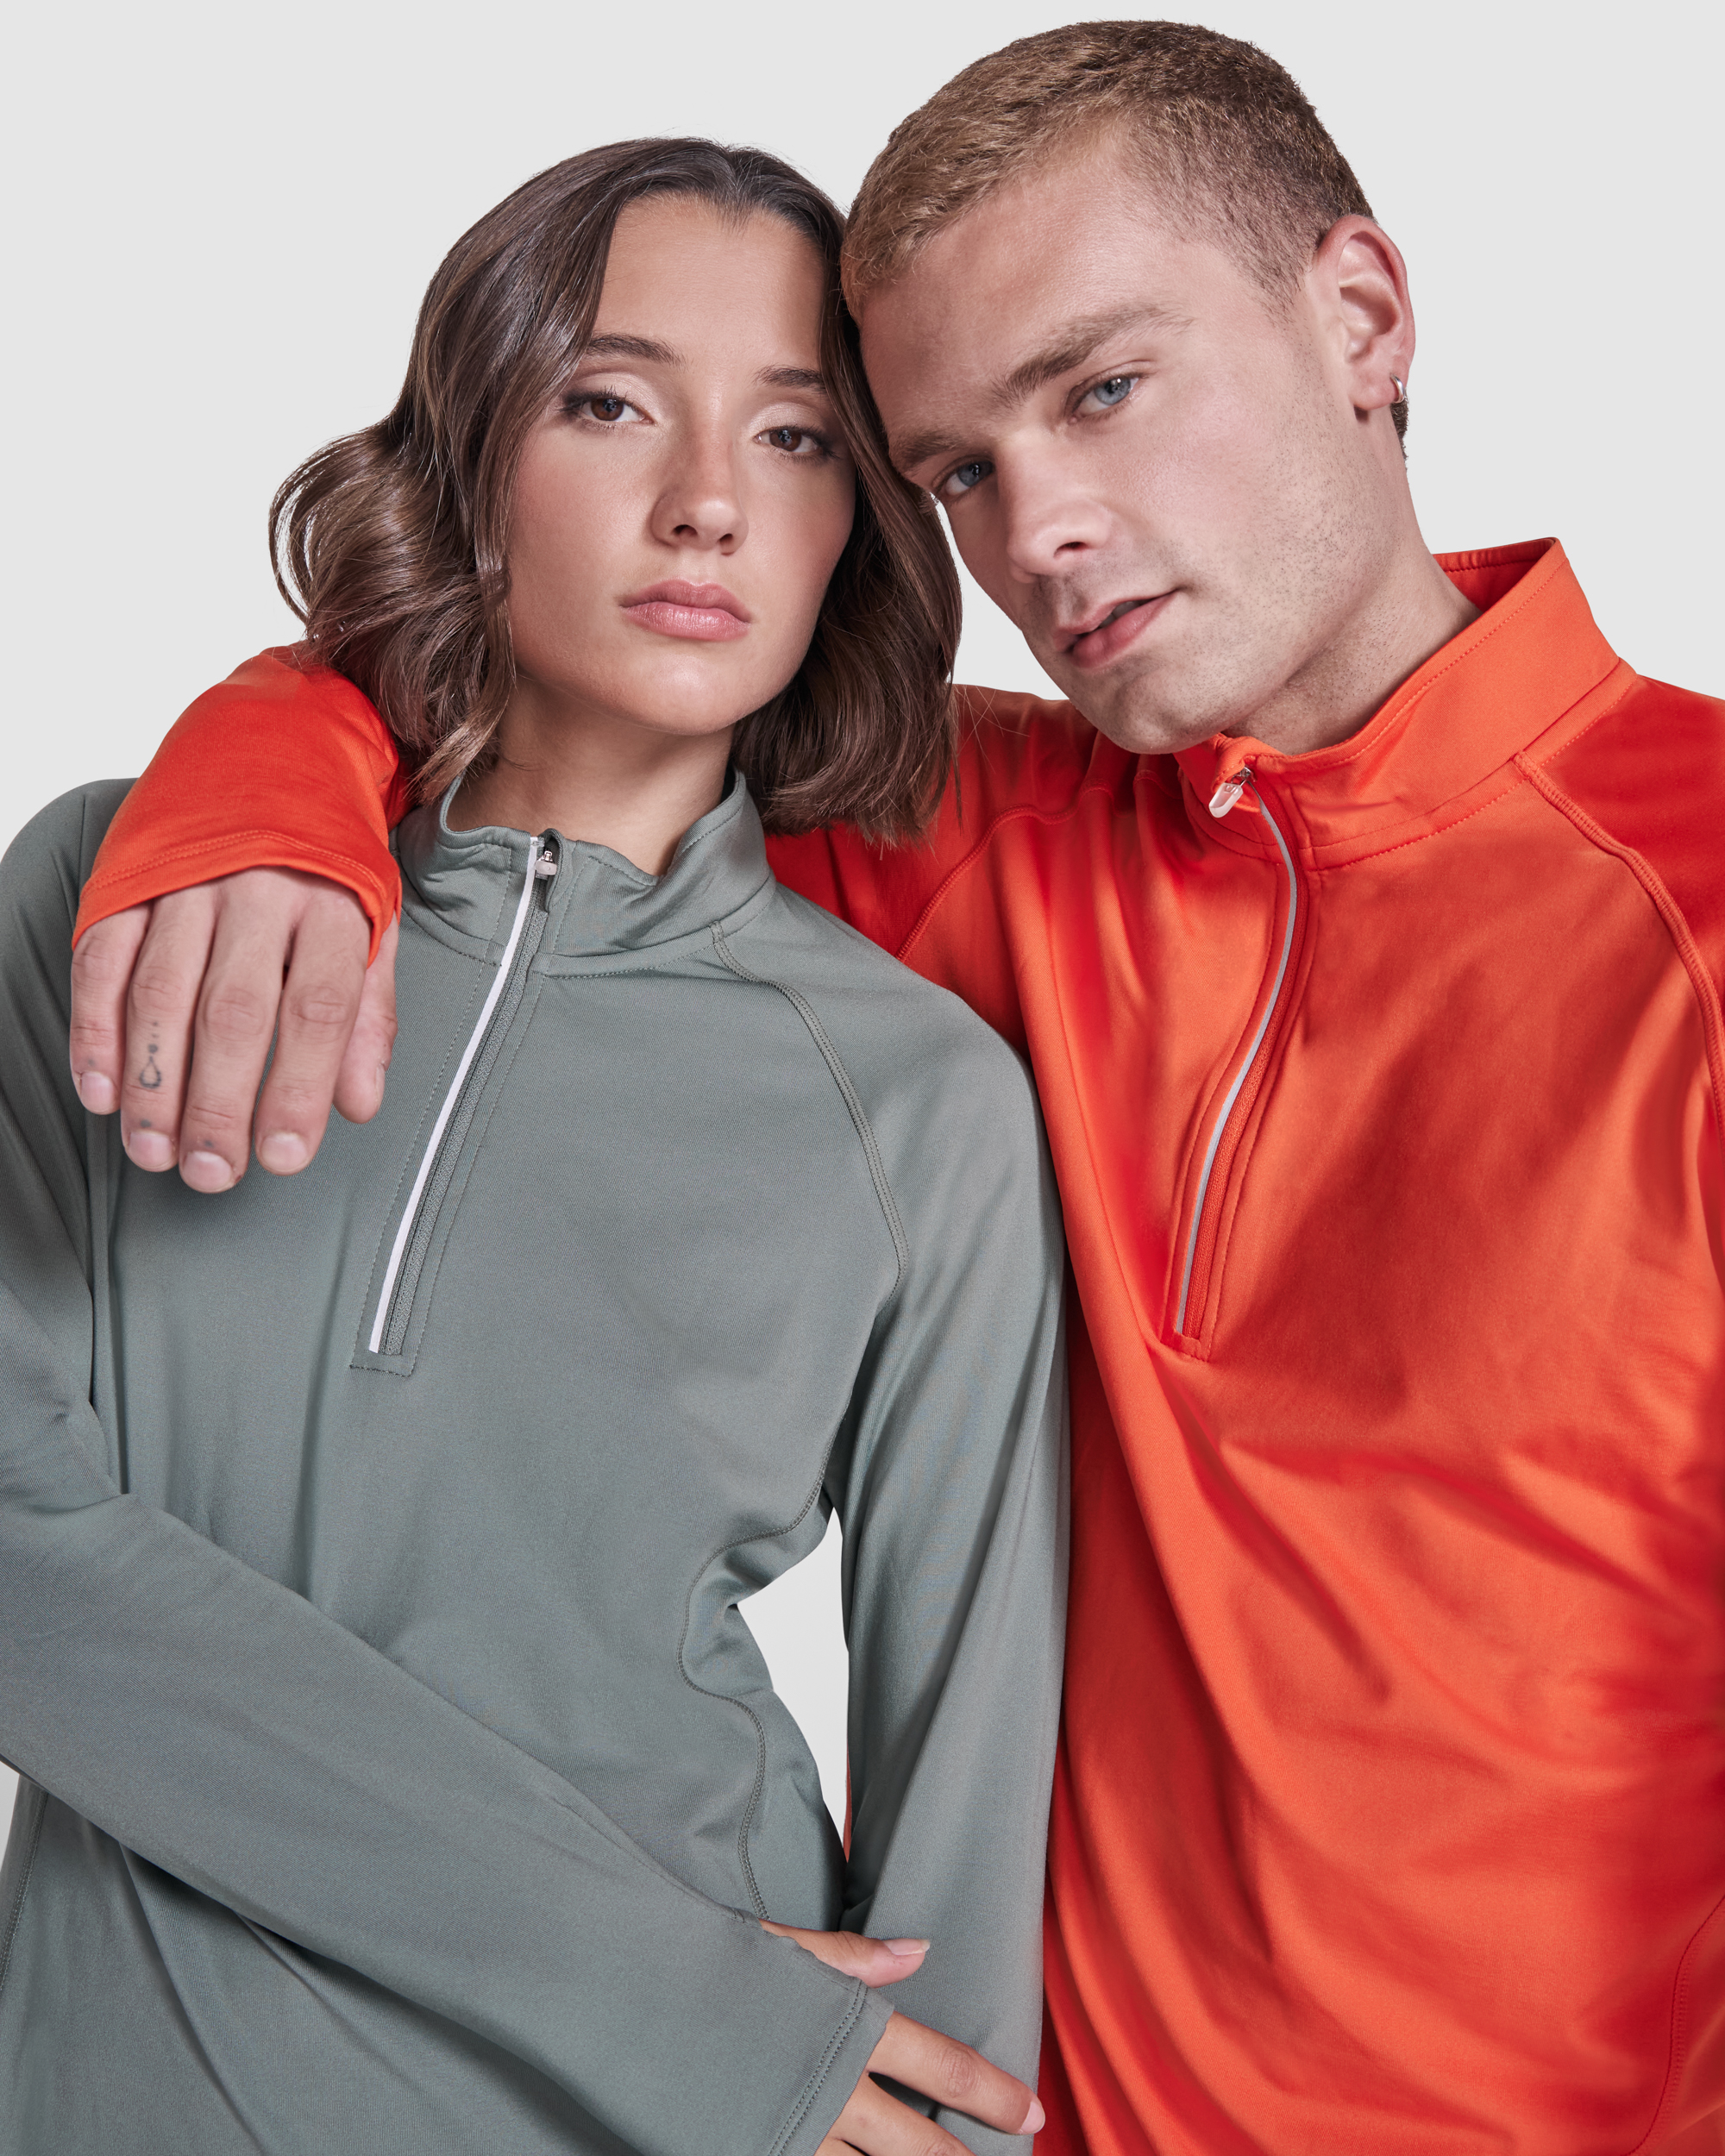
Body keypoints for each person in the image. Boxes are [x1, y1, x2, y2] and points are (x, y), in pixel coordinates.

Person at [54, 18, 1725, 2153]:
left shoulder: (1687, 898)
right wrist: (259, 772)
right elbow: (553, 698)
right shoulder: (978, 824)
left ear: (1362, 319)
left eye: (1099, 389)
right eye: (953, 470)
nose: (1041, 535)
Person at [0, 138, 1070, 2156]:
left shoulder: (917, 1096)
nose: (707, 500)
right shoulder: (124, 896)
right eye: (609, 402)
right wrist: (651, 1983)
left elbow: (967, 1780)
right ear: (467, 450)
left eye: (797, 435)